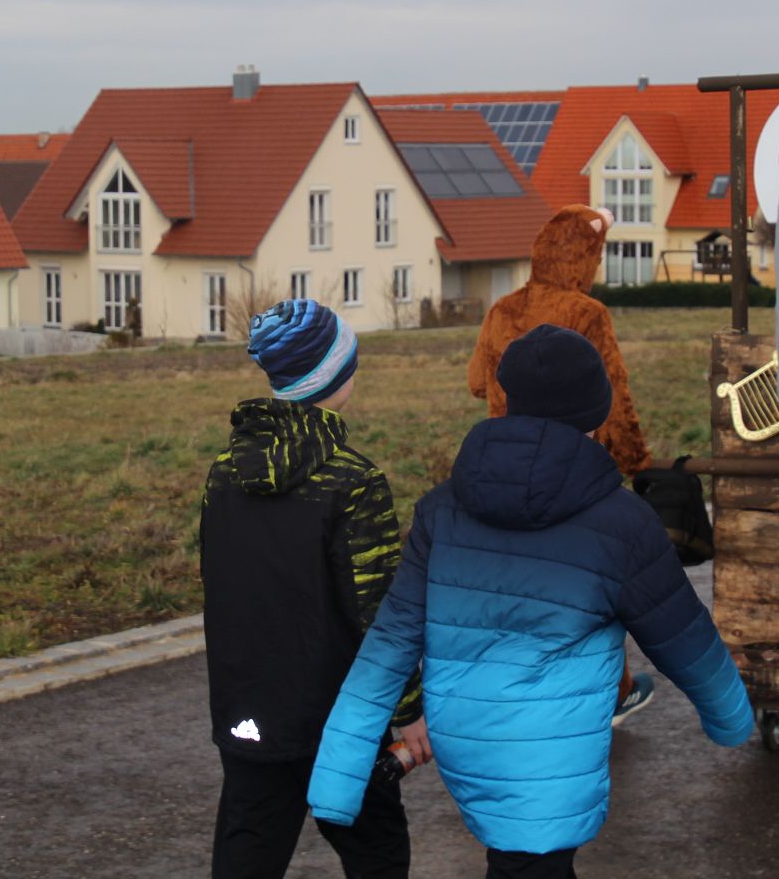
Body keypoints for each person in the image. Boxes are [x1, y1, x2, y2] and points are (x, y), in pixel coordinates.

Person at [309, 325, 753, 877]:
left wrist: (337, 776)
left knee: (526, 864)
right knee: (531, 865)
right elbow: (684, 638)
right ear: (596, 413)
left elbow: (390, 642)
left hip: (465, 740)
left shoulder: (441, 510)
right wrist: (731, 718)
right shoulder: (621, 523)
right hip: (551, 752)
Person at [200, 299, 426, 878]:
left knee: (247, 853)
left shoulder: (225, 471)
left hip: (250, 706)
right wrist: (411, 710)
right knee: (377, 852)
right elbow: (379, 617)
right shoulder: (354, 481)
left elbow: (222, 591)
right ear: (334, 374)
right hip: (343, 715)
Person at [466, 204, 658, 721]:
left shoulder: (501, 310)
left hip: (504, 468)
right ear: (586, 257)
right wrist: (637, 461)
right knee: (586, 585)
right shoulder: (587, 313)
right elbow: (615, 396)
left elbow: (478, 382)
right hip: (574, 473)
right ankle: (608, 694)